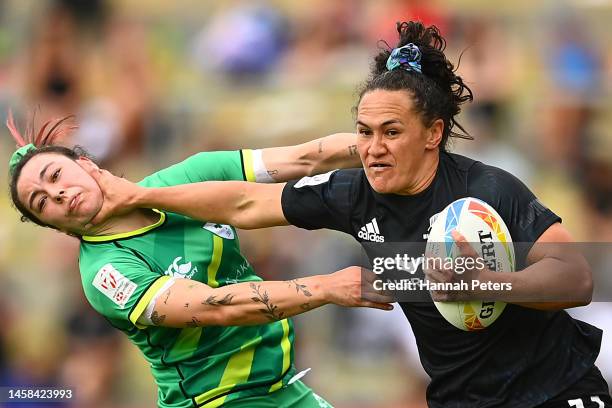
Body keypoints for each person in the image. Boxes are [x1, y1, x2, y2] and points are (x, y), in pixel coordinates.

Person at [87, 22, 612, 408]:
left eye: (391, 132)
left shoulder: (487, 186)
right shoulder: (353, 194)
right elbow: (245, 202)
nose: (373, 148)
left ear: (432, 134)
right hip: (462, 400)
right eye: (363, 132)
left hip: (557, 389)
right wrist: (139, 195)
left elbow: (575, 277)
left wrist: (484, 282)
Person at [6, 111, 394, 408]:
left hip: (282, 387)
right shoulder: (105, 273)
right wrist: (327, 286)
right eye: (42, 202)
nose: (55, 193)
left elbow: (303, 159)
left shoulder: (183, 179)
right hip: (217, 400)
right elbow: (215, 308)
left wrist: (389, 145)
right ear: (55, 227)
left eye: (55, 175)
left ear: (87, 164)